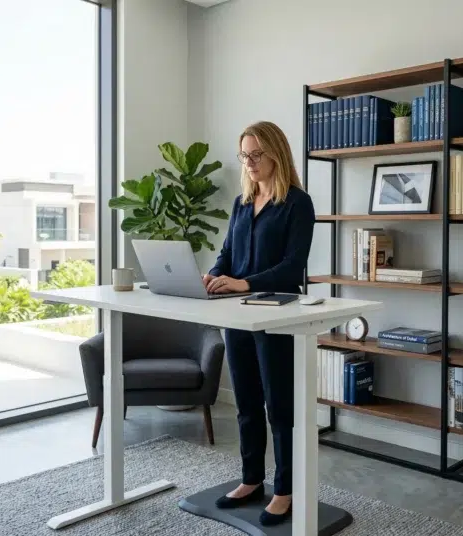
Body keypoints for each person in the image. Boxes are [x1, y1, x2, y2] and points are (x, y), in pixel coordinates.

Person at [204, 121, 314, 526]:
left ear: (276, 155)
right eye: (244, 156)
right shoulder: (241, 203)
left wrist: (244, 282)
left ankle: (285, 490)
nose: (249, 163)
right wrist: (214, 276)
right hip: (238, 316)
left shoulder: (297, 204)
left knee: (279, 405)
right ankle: (252, 480)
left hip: (276, 316)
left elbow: (291, 268)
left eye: (256, 155)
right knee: (247, 403)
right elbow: (226, 253)